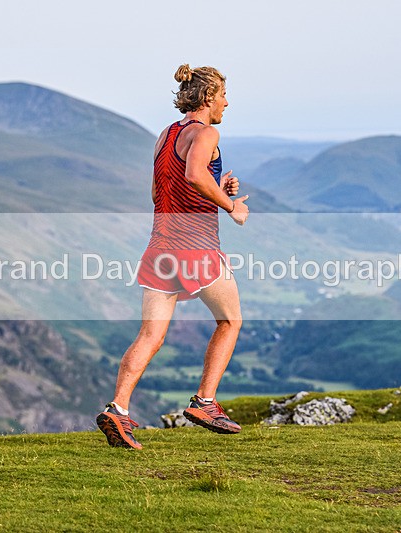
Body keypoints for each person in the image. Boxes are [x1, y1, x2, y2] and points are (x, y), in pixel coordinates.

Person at [96, 64, 249, 449]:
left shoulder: (167, 135)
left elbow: (161, 190)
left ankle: (118, 410)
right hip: (196, 247)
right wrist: (230, 204)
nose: (227, 103)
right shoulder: (207, 132)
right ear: (209, 96)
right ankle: (205, 402)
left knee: (150, 335)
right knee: (230, 321)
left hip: (160, 245)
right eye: (224, 95)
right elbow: (195, 177)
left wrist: (217, 185)